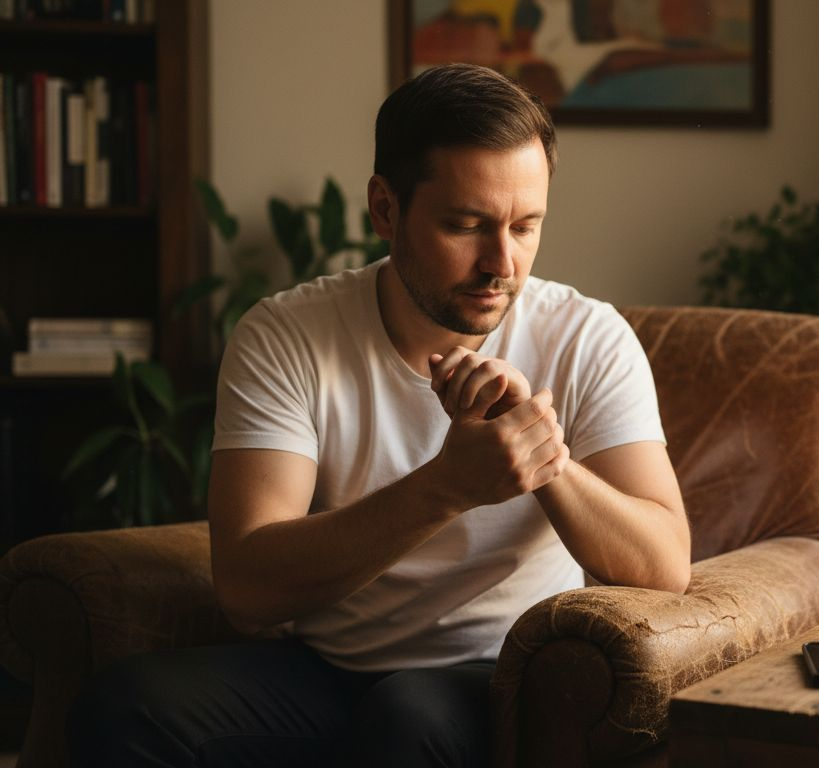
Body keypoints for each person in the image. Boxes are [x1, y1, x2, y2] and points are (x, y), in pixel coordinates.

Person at [67, 63, 690, 768]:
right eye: (466, 225)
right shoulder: (287, 335)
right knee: (121, 707)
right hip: (326, 671)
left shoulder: (585, 338)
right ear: (385, 208)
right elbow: (246, 589)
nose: (502, 263)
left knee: (408, 719)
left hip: (498, 671)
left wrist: (542, 458)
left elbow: (663, 562)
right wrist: (447, 487)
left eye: (526, 226)